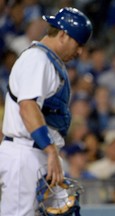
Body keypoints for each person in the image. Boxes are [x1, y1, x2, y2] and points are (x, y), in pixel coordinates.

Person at [0, 7, 92, 215]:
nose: (79, 52)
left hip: (39, 151)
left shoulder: (48, 61)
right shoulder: (37, 59)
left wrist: (51, 152)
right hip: (25, 152)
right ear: (63, 35)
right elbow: (28, 106)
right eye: (78, 44)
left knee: (65, 210)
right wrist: (50, 150)